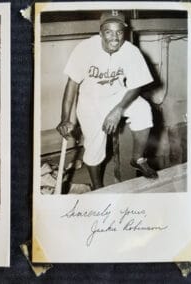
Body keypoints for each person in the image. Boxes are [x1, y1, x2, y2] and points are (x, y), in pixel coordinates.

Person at [57, 10, 158, 190]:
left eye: (119, 32)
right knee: (95, 148)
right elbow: (71, 85)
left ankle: (137, 158)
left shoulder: (131, 51)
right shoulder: (85, 49)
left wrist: (118, 109)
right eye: (109, 32)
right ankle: (97, 186)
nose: (115, 37)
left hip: (119, 96)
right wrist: (65, 118)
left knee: (143, 110)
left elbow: (136, 85)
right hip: (91, 102)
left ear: (124, 32)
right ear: (100, 33)